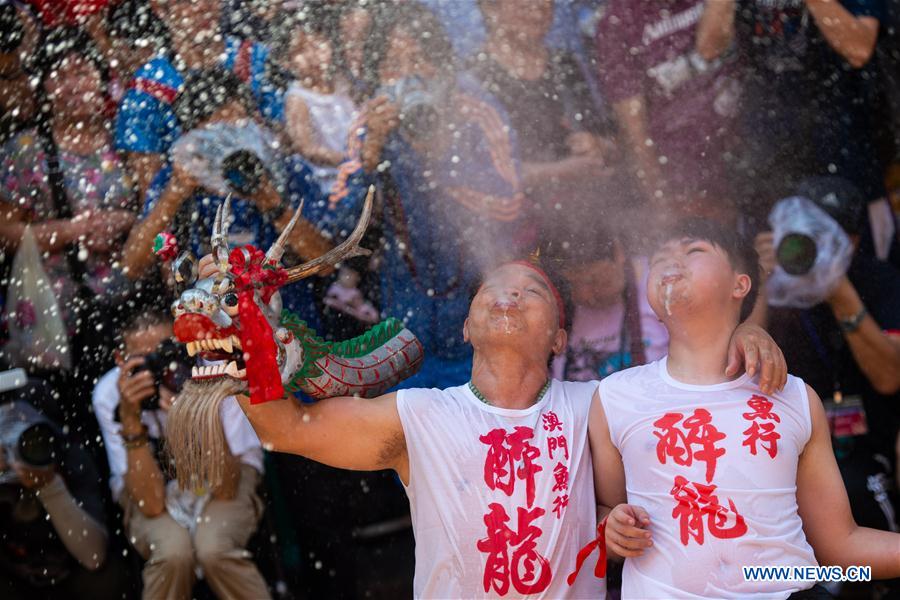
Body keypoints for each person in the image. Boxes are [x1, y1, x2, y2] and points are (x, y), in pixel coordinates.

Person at [194, 244, 789, 597]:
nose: (507, 297)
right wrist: (236, 335)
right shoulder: (420, 413)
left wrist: (746, 330)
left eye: (529, 291)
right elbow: (284, 431)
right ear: (465, 327)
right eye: (492, 291)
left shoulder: (599, 404)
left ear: (560, 336)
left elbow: (693, 377)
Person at [591, 218, 900, 597]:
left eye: (694, 250)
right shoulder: (613, 396)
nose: (671, 260)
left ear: (740, 284)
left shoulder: (795, 398)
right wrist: (609, 528)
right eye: (659, 257)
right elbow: (604, 510)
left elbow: (840, 547)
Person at [329, 1, 529, 388]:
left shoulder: (474, 108)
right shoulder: (371, 122)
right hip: (404, 317)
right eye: (393, 64)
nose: (409, 76)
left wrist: (441, 157)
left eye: (420, 59)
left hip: (480, 307)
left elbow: (510, 203)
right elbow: (338, 225)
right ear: (376, 74)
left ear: (444, 67)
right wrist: (370, 157)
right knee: (412, 434)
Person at [760, 178, 900, 595]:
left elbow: (890, 376)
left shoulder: (880, 280)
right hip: (788, 451)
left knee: (859, 491)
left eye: (825, 236)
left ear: (853, 241)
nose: (808, 247)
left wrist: (839, 292)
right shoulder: (770, 284)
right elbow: (734, 359)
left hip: (867, 447)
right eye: (801, 235)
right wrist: (761, 283)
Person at [92, 309, 270, 599]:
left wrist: (191, 414)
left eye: (166, 353)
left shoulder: (216, 369)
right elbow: (150, 504)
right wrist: (130, 419)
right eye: (144, 361)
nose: (158, 370)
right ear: (120, 361)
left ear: (185, 345)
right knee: (172, 553)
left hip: (225, 471)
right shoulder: (110, 393)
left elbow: (226, 486)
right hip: (153, 485)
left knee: (214, 548)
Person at [119, 68, 333, 301]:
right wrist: (173, 197)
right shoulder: (176, 181)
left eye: (239, 125)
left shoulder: (286, 171)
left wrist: (271, 202)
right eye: (216, 133)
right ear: (191, 138)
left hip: (285, 323)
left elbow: (326, 263)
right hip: (210, 325)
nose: (231, 143)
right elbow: (131, 266)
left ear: (256, 123)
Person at [0, 28, 135, 338]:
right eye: (59, 76)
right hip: (52, 318)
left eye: (82, 72)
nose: (72, 86)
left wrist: (123, 221)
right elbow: (5, 234)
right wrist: (73, 232)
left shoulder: (126, 139)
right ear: (43, 87)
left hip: (129, 311)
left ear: (101, 78)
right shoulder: (25, 150)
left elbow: (153, 210)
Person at [469, 0, 618, 238]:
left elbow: (613, 146)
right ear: (490, 8)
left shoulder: (565, 64)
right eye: (524, 3)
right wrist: (560, 171)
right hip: (522, 236)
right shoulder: (475, 80)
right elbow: (482, 176)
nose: (538, 7)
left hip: (588, 225)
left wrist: (598, 146)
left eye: (545, 1)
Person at [595, 0, 742, 220]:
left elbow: (716, 39)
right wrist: (662, 205)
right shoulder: (618, 23)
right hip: (688, 174)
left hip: (746, 147)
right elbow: (636, 133)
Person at [114, 0, 278, 197]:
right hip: (194, 215)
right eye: (186, 2)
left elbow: (289, 146)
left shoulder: (256, 59)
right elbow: (152, 195)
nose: (201, 6)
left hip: (268, 204)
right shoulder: (147, 88)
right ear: (160, 8)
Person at [0, 387, 124, 600]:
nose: (18, 447)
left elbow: (94, 557)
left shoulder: (71, 458)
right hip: (11, 579)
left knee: (107, 580)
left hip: (74, 574)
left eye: (32, 437)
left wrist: (50, 486)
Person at [547, 227, 668, 382]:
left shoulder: (660, 285)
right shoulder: (555, 304)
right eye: (574, 285)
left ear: (619, 254)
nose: (585, 295)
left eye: (594, 281)